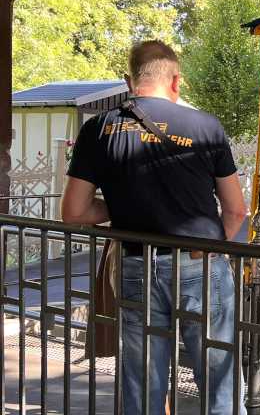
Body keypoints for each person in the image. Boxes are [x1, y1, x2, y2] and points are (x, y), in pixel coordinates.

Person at [61, 40, 248, 415]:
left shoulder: (98, 129)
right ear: (176, 81)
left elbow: (73, 211)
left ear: (129, 81)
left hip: (136, 265)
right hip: (199, 265)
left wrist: (126, 204)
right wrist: (211, 251)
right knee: (219, 380)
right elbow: (235, 210)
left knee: (142, 384)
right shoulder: (206, 126)